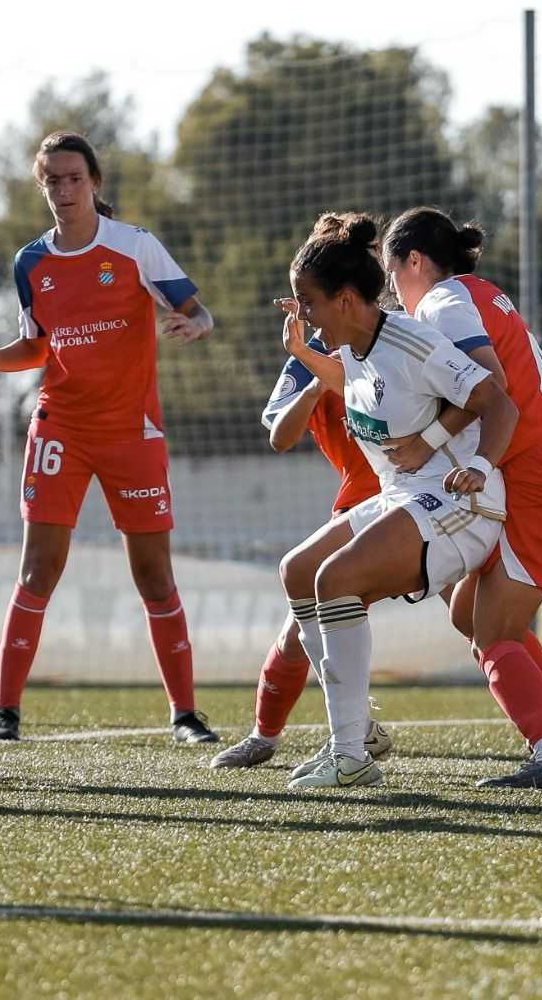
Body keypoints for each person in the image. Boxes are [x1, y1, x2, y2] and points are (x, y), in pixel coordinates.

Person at [0, 131, 218, 744]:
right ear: (41, 186)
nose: (64, 190)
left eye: (74, 178)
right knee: (38, 569)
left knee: (154, 576)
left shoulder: (135, 246)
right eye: (53, 180)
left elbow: (198, 310)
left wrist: (196, 325)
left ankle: (185, 715)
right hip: (60, 428)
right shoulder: (30, 263)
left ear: (95, 182)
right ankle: (5, 715)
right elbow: (35, 349)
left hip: (132, 433)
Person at [271, 212, 521, 790]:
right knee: (298, 570)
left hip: (461, 504)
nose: (303, 313)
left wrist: (479, 466)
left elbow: (498, 402)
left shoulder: (412, 340)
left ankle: (349, 753)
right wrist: (303, 354)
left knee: (334, 579)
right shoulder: (355, 348)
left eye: (308, 302)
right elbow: (358, 386)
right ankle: (357, 732)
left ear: (346, 299)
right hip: (404, 495)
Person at [379, 206, 542, 788]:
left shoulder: (441, 303)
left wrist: (437, 445)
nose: (390, 286)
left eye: (391, 270)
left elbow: (494, 386)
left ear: (414, 260)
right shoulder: (479, 291)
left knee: (492, 633)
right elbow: (517, 378)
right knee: (468, 614)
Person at [209, 311, 390, 769]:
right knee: (298, 629)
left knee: (477, 616)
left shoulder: (400, 336)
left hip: (422, 495)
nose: (305, 310)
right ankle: (268, 736)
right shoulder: (309, 355)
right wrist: (315, 384)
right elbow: (280, 436)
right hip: (360, 503)